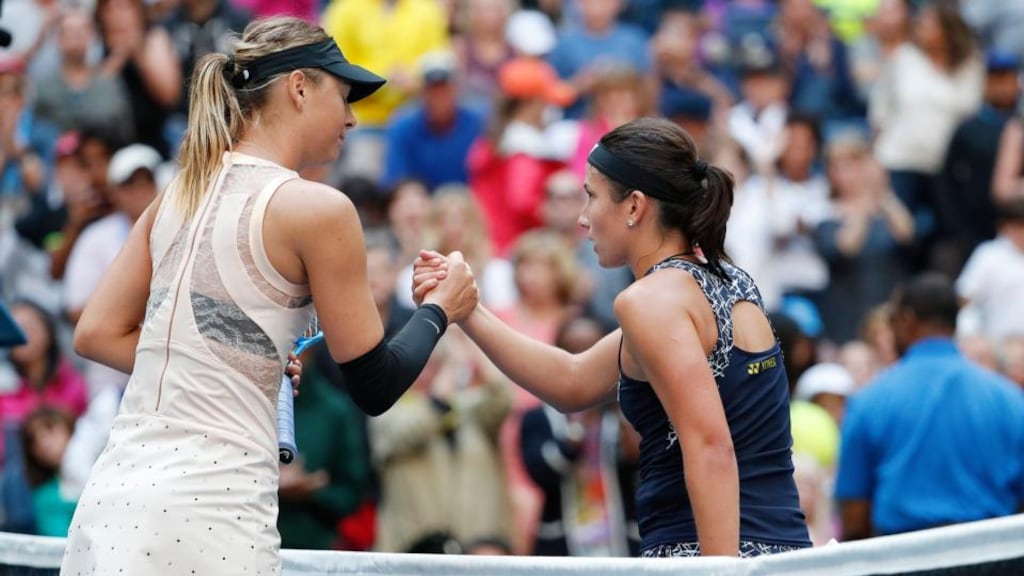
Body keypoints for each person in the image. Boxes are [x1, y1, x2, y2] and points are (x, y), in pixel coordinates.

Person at [60, 16, 477, 575]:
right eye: (345, 95)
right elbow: (375, 384)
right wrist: (440, 310)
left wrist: (239, 362)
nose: (353, 117)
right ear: (300, 87)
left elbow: (97, 333)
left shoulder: (177, 192)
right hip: (211, 514)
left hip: (110, 503)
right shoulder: (318, 209)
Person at [414, 117, 811, 557]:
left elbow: (711, 446)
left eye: (591, 195)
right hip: (785, 553)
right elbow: (574, 380)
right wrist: (467, 309)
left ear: (635, 206)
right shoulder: (730, 279)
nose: (583, 218)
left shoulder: (648, 300)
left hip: (706, 557)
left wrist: (718, 575)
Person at [834, 274, 1024, 540]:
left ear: (907, 320)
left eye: (891, 321)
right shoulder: (1009, 399)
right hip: (995, 557)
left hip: (902, 558)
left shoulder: (870, 400)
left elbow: (854, 517)